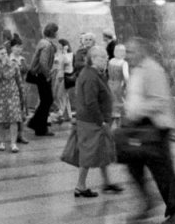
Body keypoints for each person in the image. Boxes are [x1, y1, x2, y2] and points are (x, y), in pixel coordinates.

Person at [123, 38, 175, 224]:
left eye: (131, 52)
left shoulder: (152, 70)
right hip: (140, 125)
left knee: (163, 171)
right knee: (133, 164)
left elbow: (160, 100)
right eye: (127, 52)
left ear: (142, 51)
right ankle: (147, 202)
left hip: (156, 126)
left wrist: (137, 111)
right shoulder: (138, 70)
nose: (128, 56)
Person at [72, 46, 122, 197]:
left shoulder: (96, 74)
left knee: (103, 151)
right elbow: (91, 102)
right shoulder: (89, 76)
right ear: (93, 59)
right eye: (103, 57)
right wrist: (101, 122)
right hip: (91, 122)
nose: (106, 60)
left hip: (96, 121)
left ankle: (106, 183)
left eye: (106, 57)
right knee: (88, 154)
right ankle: (80, 186)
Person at [25, 23, 59, 136]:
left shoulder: (43, 42)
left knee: (46, 100)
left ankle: (39, 126)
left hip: (38, 74)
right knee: (47, 100)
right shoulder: (47, 45)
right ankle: (37, 124)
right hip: (42, 75)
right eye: (56, 31)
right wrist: (48, 75)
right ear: (53, 32)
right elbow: (43, 62)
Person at [0, 46, 23, 153]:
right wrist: (3, 65)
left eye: (5, 53)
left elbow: (17, 79)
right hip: (0, 95)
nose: (4, 55)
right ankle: (2, 142)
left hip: (12, 94)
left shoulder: (14, 64)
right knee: (0, 120)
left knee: (13, 119)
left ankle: (13, 143)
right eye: (2, 54)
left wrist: (22, 94)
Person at [53, 38, 75, 124]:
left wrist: (65, 52)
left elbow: (67, 62)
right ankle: (68, 114)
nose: (58, 46)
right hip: (58, 75)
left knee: (60, 95)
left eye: (60, 44)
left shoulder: (69, 54)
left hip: (65, 76)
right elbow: (56, 62)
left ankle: (60, 114)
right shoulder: (59, 53)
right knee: (62, 95)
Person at [106, 43, 128, 125]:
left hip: (110, 83)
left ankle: (109, 125)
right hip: (119, 84)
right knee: (120, 104)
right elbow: (126, 76)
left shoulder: (111, 61)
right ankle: (119, 125)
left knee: (112, 103)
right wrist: (127, 85)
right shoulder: (123, 63)